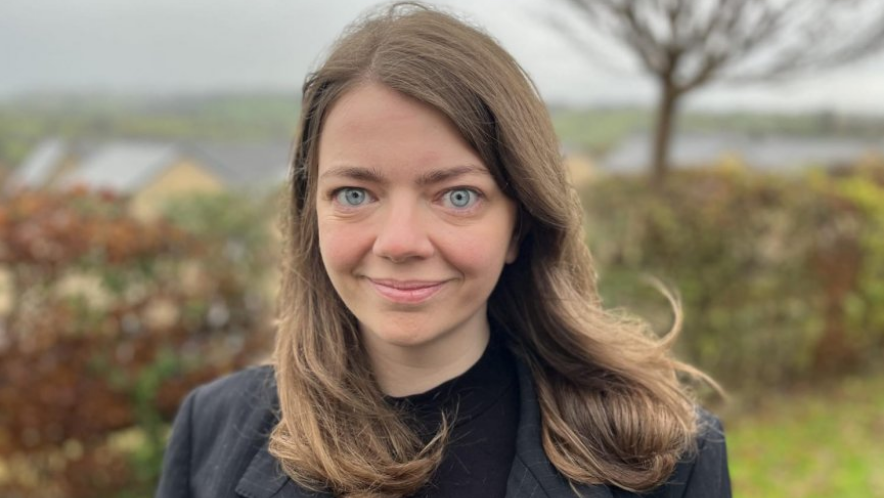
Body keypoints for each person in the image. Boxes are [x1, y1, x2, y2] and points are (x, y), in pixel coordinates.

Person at [156, 3, 731, 497]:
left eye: (458, 195)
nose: (401, 242)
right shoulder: (213, 429)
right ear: (311, 214)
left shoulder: (665, 457)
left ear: (520, 224)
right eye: (354, 193)